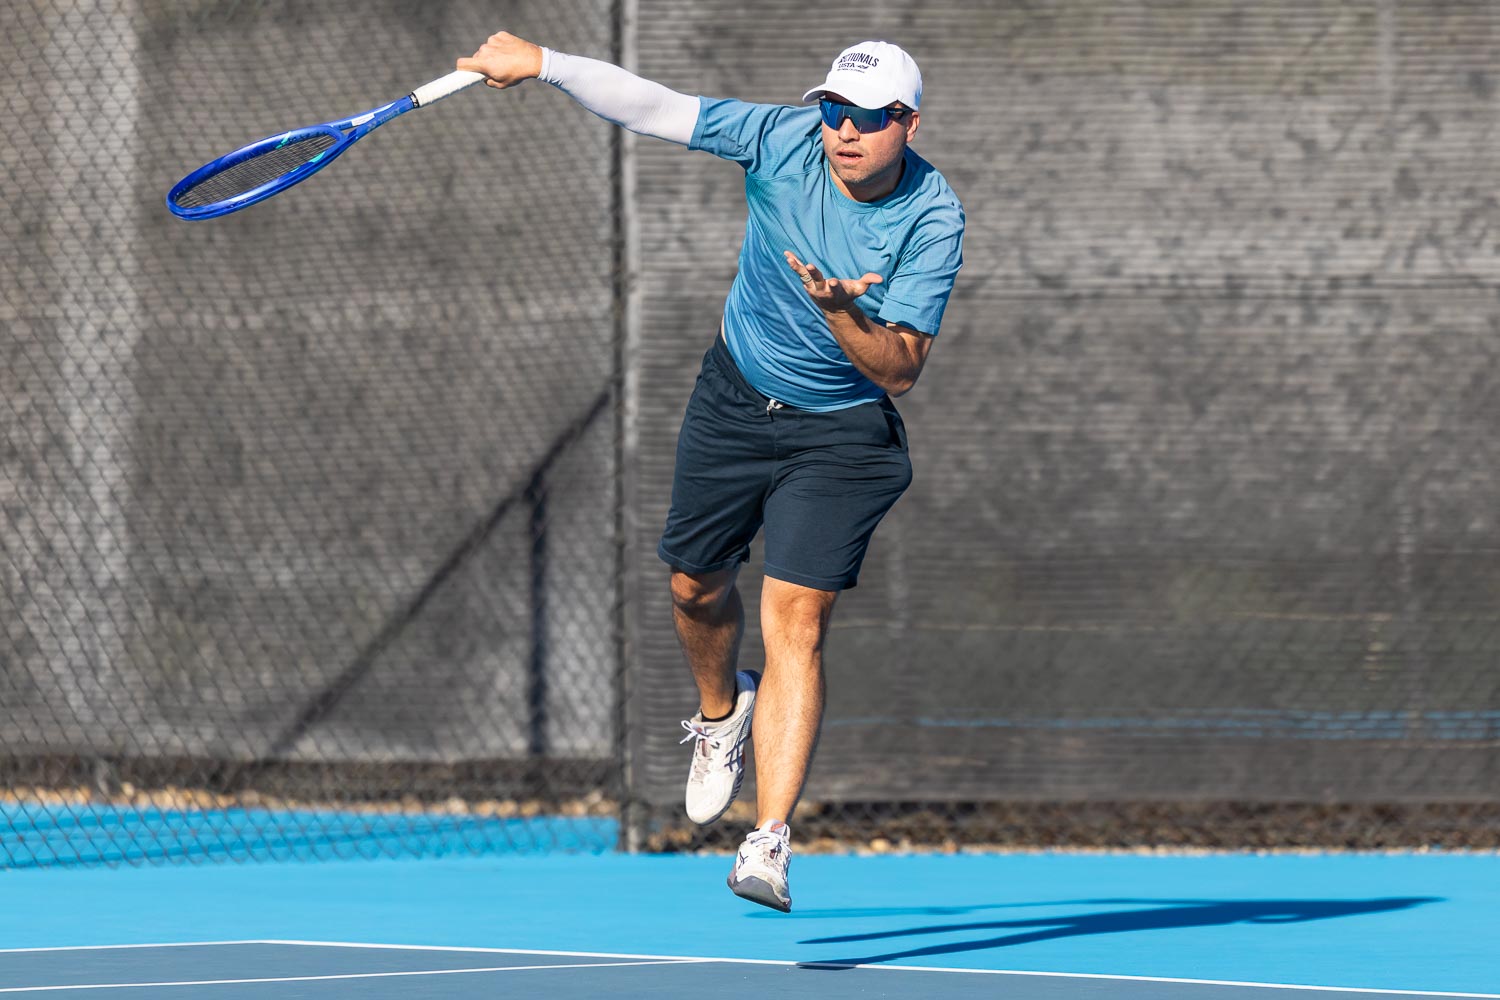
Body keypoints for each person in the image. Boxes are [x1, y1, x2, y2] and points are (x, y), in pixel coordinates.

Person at [459, 33, 965, 913]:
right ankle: (722, 716)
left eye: (870, 117)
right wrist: (546, 62)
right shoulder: (780, 139)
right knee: (695, 589)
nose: (846, 131)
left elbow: (900, 370)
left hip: (840, 434)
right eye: (834, 110)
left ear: (908, 124)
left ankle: (768, 841)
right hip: (734, 397)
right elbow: (658, 108)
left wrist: (840, 315)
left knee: (795, 622)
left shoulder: (934, 218)